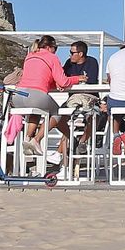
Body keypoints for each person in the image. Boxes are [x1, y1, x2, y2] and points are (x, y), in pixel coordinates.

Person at [14, 34, 87, 168]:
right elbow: (64, 81)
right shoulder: (51, 57)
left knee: (36, 112)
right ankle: (36, 140)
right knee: (57, 113)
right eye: (55, 48)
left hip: (18, 96)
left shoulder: (30, 55)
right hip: (35, 95)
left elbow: (39, 77)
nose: (56, 51)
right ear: (49, 47)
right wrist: (78, 79)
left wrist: (54, 84)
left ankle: (27, 139)